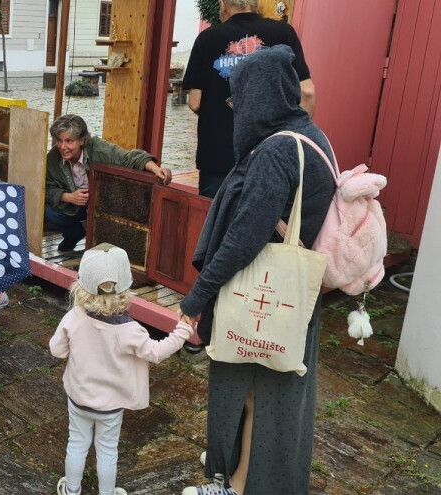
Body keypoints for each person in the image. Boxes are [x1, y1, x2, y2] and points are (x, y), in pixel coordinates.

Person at [179, 46, 335, 495]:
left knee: (253, 393)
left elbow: (244, 239)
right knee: (268, 395)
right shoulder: (310, 134)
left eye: (239, 99)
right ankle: (242, 474)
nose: (236, 110)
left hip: (264, 290)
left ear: (260, 96)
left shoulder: (275, 152)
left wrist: (197, 297)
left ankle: (238, 485)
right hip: (291, 291)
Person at [49, 245, 194, 495]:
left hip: (79, 398)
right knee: (107, 450)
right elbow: (157, 352)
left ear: (81, 286)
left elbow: (57, 351)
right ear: (126, 288)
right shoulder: (131, 331)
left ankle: (72, 490)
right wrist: (183, 330)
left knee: (77, 443)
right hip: (111, 406)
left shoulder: (74, 317)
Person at [183, 0, 314, 198]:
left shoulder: (207, 38)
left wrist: (220, 112)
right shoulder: (283, 34)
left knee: (214, 224)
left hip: (218, 157)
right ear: (256, 3)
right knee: (267, 224)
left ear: (223, 4)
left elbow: (195, 102)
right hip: (272, 156)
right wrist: (298, 139)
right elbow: (307, 92)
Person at [45, 115, 172, 252]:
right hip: (72, 208)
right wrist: (68, 197)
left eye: (69, 141)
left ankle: (97, 240)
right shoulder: (52, 157)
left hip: (102, 207)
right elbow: (46, 188)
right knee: (50, 212)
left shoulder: (98, 148)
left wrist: (156, 169)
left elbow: (129, 158)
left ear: (82, 140)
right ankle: (75, 234)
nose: (63, 147)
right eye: (59, 140)